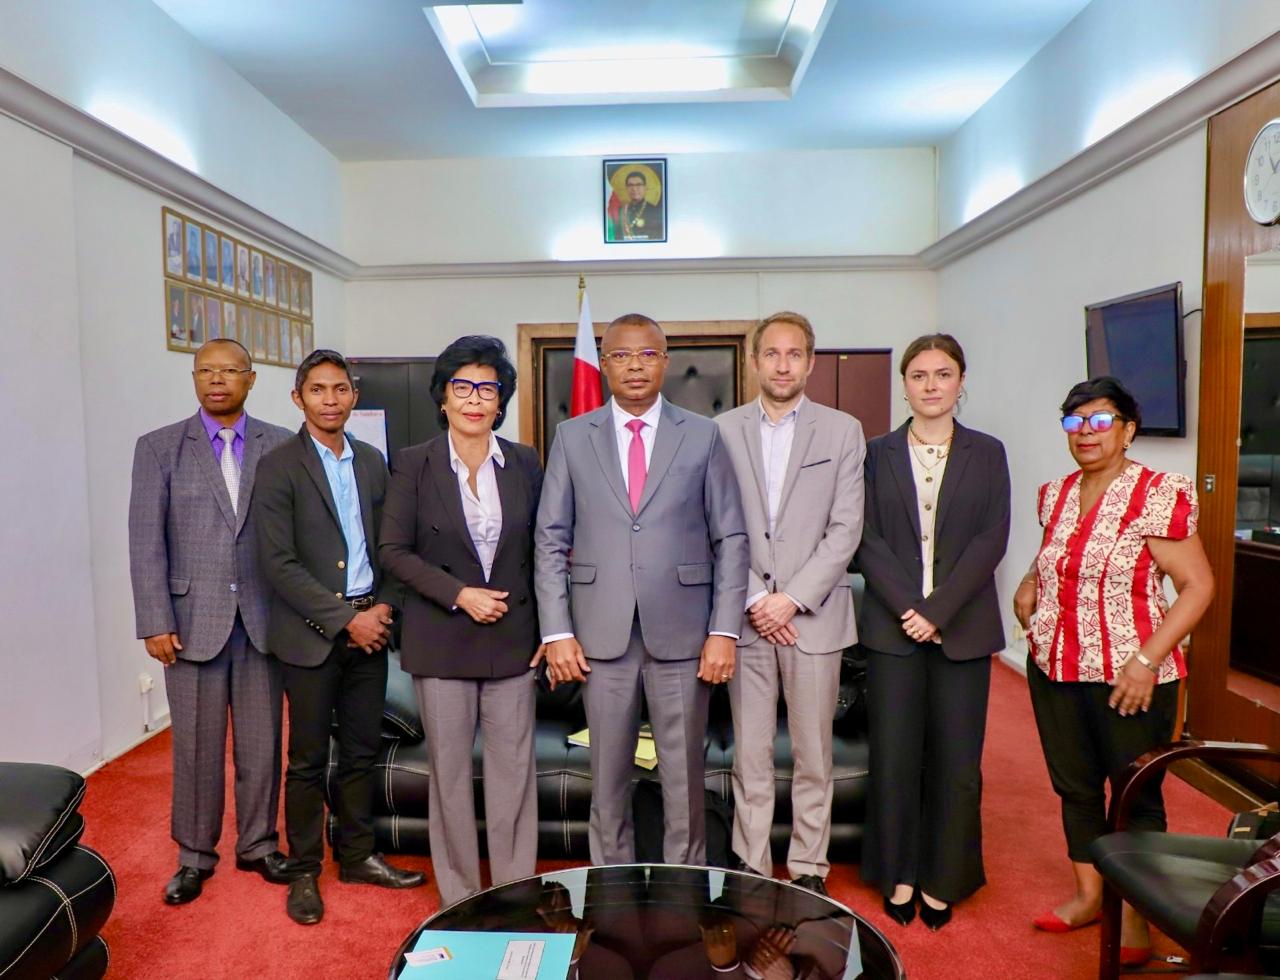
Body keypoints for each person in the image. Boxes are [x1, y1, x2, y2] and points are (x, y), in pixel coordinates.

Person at [534, 313, 749, 866]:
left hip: (683, 634)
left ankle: (686, 896)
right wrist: (557, 631)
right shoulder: (571, 437)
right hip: (598, 636)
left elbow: (731, 537)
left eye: (647, 355)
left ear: (665, 363)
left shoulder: (703, 434)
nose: (635, 365)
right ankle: (611, 895)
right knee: (606, 784)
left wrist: (724, 630)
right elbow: (550, 539)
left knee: (683, 783)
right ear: (603, 364)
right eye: (623, 355)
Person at [1014, 376, 1213, 965]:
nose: (1085, 434)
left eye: (1100, 421)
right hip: (1054, 664)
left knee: (1135, 795)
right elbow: (1058, 551)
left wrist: (1147, 659)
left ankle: (1135, 918)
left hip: (1132, 675)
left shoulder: (1157, 492)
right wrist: (1029, 580)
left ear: (1127, 429)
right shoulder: (1055, 493)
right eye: (1074, 422)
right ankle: (1088, 896)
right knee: (1074, 787)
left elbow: (1198, 587)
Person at [253, 349, 425, 926]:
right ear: (298, 398)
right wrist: (343, 617)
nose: (331, 399)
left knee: (360, 751)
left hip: (371, 627)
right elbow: (277, 564)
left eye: (341, 389)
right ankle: (304, 870)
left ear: (354, 396)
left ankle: (356, 856)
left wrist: (382, 611)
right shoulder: (279, 466)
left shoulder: (376, 462)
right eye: (318, 390)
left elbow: (395, 551)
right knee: (305, 759)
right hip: (311, 633)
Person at [378, 335, 543, 909]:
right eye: (462, 387)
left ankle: (516, 890)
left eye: (487, 388)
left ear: (501, 400)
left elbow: (544, 550)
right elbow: (393, 550)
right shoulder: (414, 463)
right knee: (448, 779)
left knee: (513, 779)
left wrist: (553, 631)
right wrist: (459, 594)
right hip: (443, 639)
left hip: (513, 641)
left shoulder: (525, 461)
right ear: (443, 398)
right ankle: (463, 898)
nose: (475, 399)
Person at [128, 338, 294, 905]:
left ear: (251, 379)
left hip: (264, 620)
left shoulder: (282, 445)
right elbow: (145, 541)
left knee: (262, 743)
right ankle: (195, 856)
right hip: (189, 620)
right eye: (205, 371)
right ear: (194, 378)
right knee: (195, 747)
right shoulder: (158, 449)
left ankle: (259, 843)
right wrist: (154, 618)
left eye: (228, 371)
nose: (216, 380)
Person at [856, 334, 1010, 930]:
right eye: (918, 375)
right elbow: (864, 538)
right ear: (904, 384)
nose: (930, 385)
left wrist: (938, 610)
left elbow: (991, 539)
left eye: (942, 374)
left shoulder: (988, 452)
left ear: (961, 381)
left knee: (956, 761)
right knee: (894, 756)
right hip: (893, 630)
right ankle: (897, 871)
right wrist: (908, 608)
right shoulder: (876, 453)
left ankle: (945, 877)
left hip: (963, 629)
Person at [715, 312, 866, 895]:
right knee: (750, 755)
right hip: (747, 620)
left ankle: (808, 868)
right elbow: (717, 525)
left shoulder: (842, 430)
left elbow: (846, 528)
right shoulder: (721, 430)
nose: (782, 364)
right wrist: (758, 597)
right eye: (771, 353)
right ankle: (750, 865)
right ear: (753, 361)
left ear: (810, 361)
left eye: (794, 354)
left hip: (815, 619)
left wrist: (792, 599)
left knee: (813, 757)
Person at [618, 170, 664, 241]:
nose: (634, 189)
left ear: (645, 187)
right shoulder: (620, 211)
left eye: (638, 184)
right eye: (630, 185)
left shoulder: (655, 211)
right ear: (626, 188)